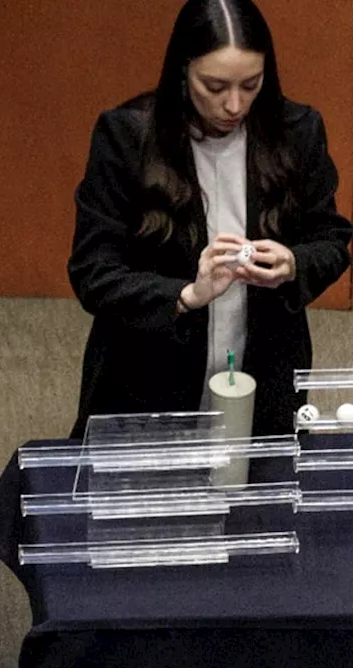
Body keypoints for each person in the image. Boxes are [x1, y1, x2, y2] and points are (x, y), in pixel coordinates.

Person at [68, 0, 352, 438]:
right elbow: (93, 272)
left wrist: (293, 263)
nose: (234, 105)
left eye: (250, 84)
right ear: (183, 71)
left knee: (257, 499)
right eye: (214, 87)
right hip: (147, 377)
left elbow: (331, 238)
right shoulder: (125, 137)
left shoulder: (299, 131)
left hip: (266, 372)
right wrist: (184, 294)